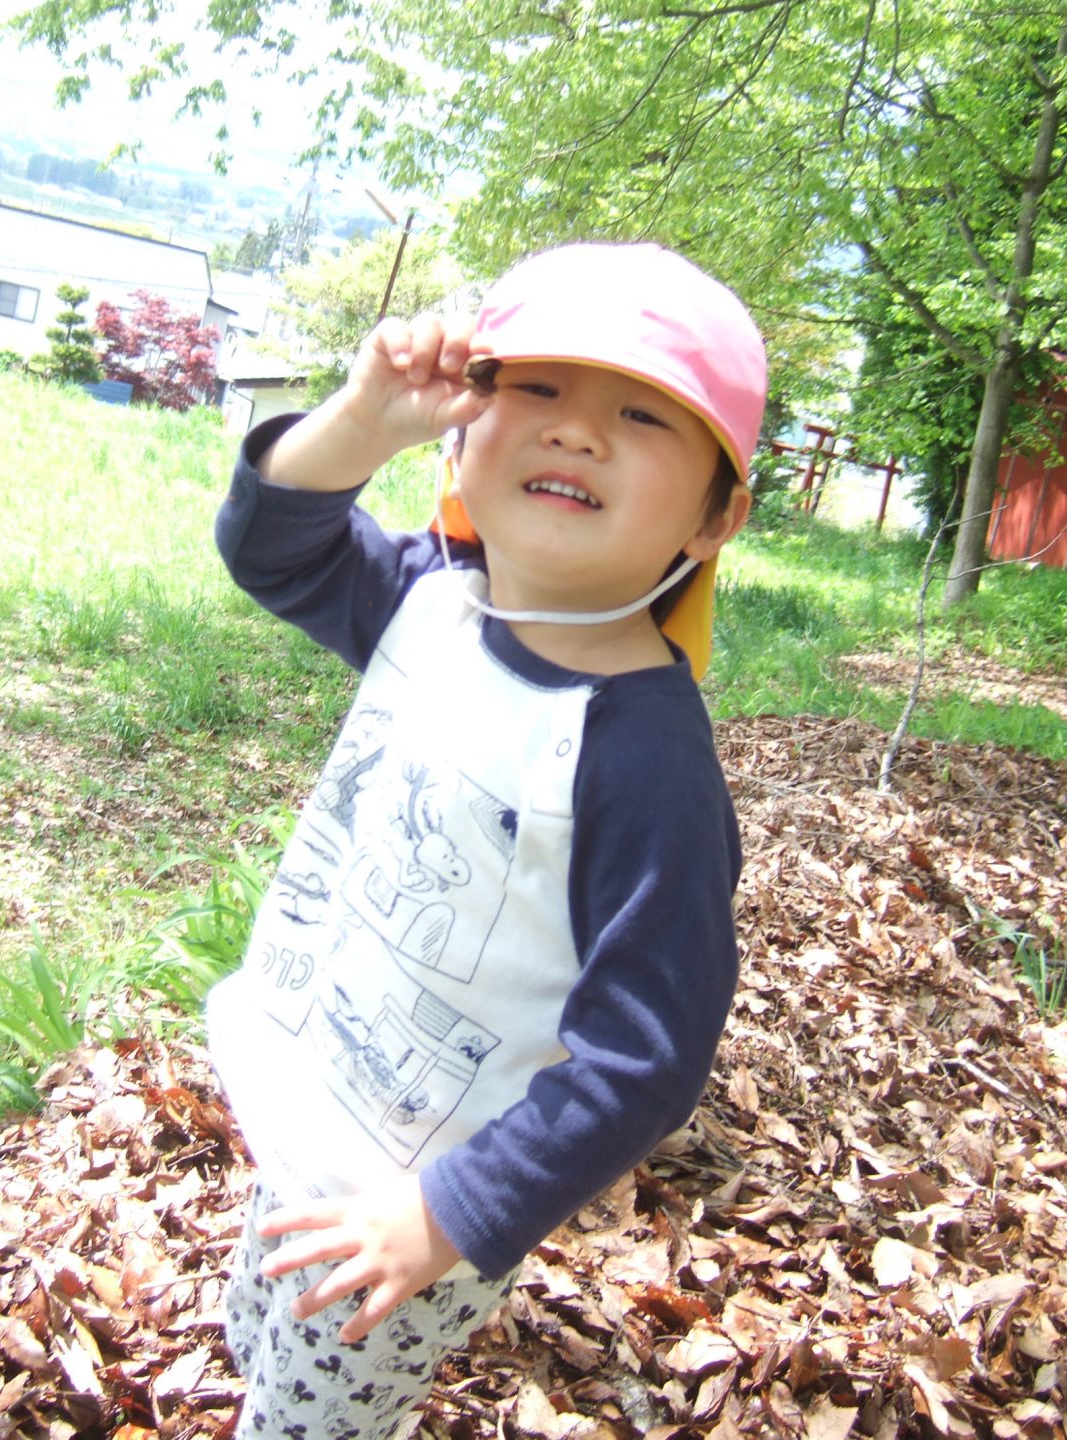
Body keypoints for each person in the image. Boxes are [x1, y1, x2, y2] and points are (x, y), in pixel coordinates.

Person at [205, 242, 765, 1439]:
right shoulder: (434, 601)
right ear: (464, 432)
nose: (577, 431)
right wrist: (363, 422)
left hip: (406, 1204)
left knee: (312, 1420)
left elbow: (645, 1055)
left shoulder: (642, 759)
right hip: (311, 1091)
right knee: (258, 1337)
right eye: (540, 389)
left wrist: (450, 1216)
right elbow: (271, 548)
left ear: (719, 515)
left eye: (642, 415)